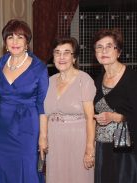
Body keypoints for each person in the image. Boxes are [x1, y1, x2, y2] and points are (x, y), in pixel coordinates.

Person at [0, 19, 48, 183]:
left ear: (27, 41)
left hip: (28, 129)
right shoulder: (0, 64)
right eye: (10, 37)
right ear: (5, 41)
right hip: (3, 127)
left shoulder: (38, 67)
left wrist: (43, 136)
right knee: (3, 166)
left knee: (27, 168)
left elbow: (43, 106)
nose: (15, 42)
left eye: (20, 37)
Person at [39, 37, 96, 183]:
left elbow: (90, 118)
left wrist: (89, 148)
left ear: (74, 57)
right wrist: (43, 137)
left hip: (78, 140)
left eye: (66, 53)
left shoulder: (85, 80)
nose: (61, 57)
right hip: (55, 141)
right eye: (57, 52)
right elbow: (44, 112)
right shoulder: (49, 81)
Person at [92, 28, 137, 183]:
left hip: (125, 150)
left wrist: (117, 117)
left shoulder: (132, 78)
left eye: (109, 46)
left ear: (118, 51)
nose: (103, 51)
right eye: (99, 47)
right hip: (102, 147)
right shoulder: (98, 80)